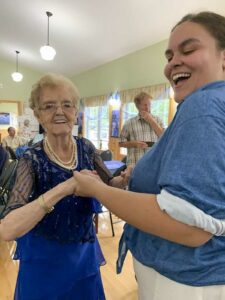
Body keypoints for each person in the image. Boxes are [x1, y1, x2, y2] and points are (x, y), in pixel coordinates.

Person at [73, 11, 225, 300]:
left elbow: (189, 225)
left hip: (183, 280)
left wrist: (96, 189)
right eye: (169, 56)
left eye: (189, 49)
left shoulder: (202, 105)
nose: (172, 64)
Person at [0, 73, 130, 299]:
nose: (59, 111)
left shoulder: (86, 148)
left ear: (75, 113)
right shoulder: (31, 160)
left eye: (67, 105)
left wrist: (127, 177)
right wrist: (65, 188)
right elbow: (8, 229)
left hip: (83, 256)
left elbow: (111, 185)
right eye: (49, 106)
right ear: (39, 115)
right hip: (44, 263)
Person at [119, 92, 164, 166]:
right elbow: (121, 143)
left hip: (153, 163)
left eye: (149, 104)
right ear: (138, 106)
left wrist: (152, 121)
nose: (148, 108)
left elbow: (164, 137)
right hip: (134, 164)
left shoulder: (158, 120)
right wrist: (134, 143)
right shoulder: (129, 123)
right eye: (145, 105)